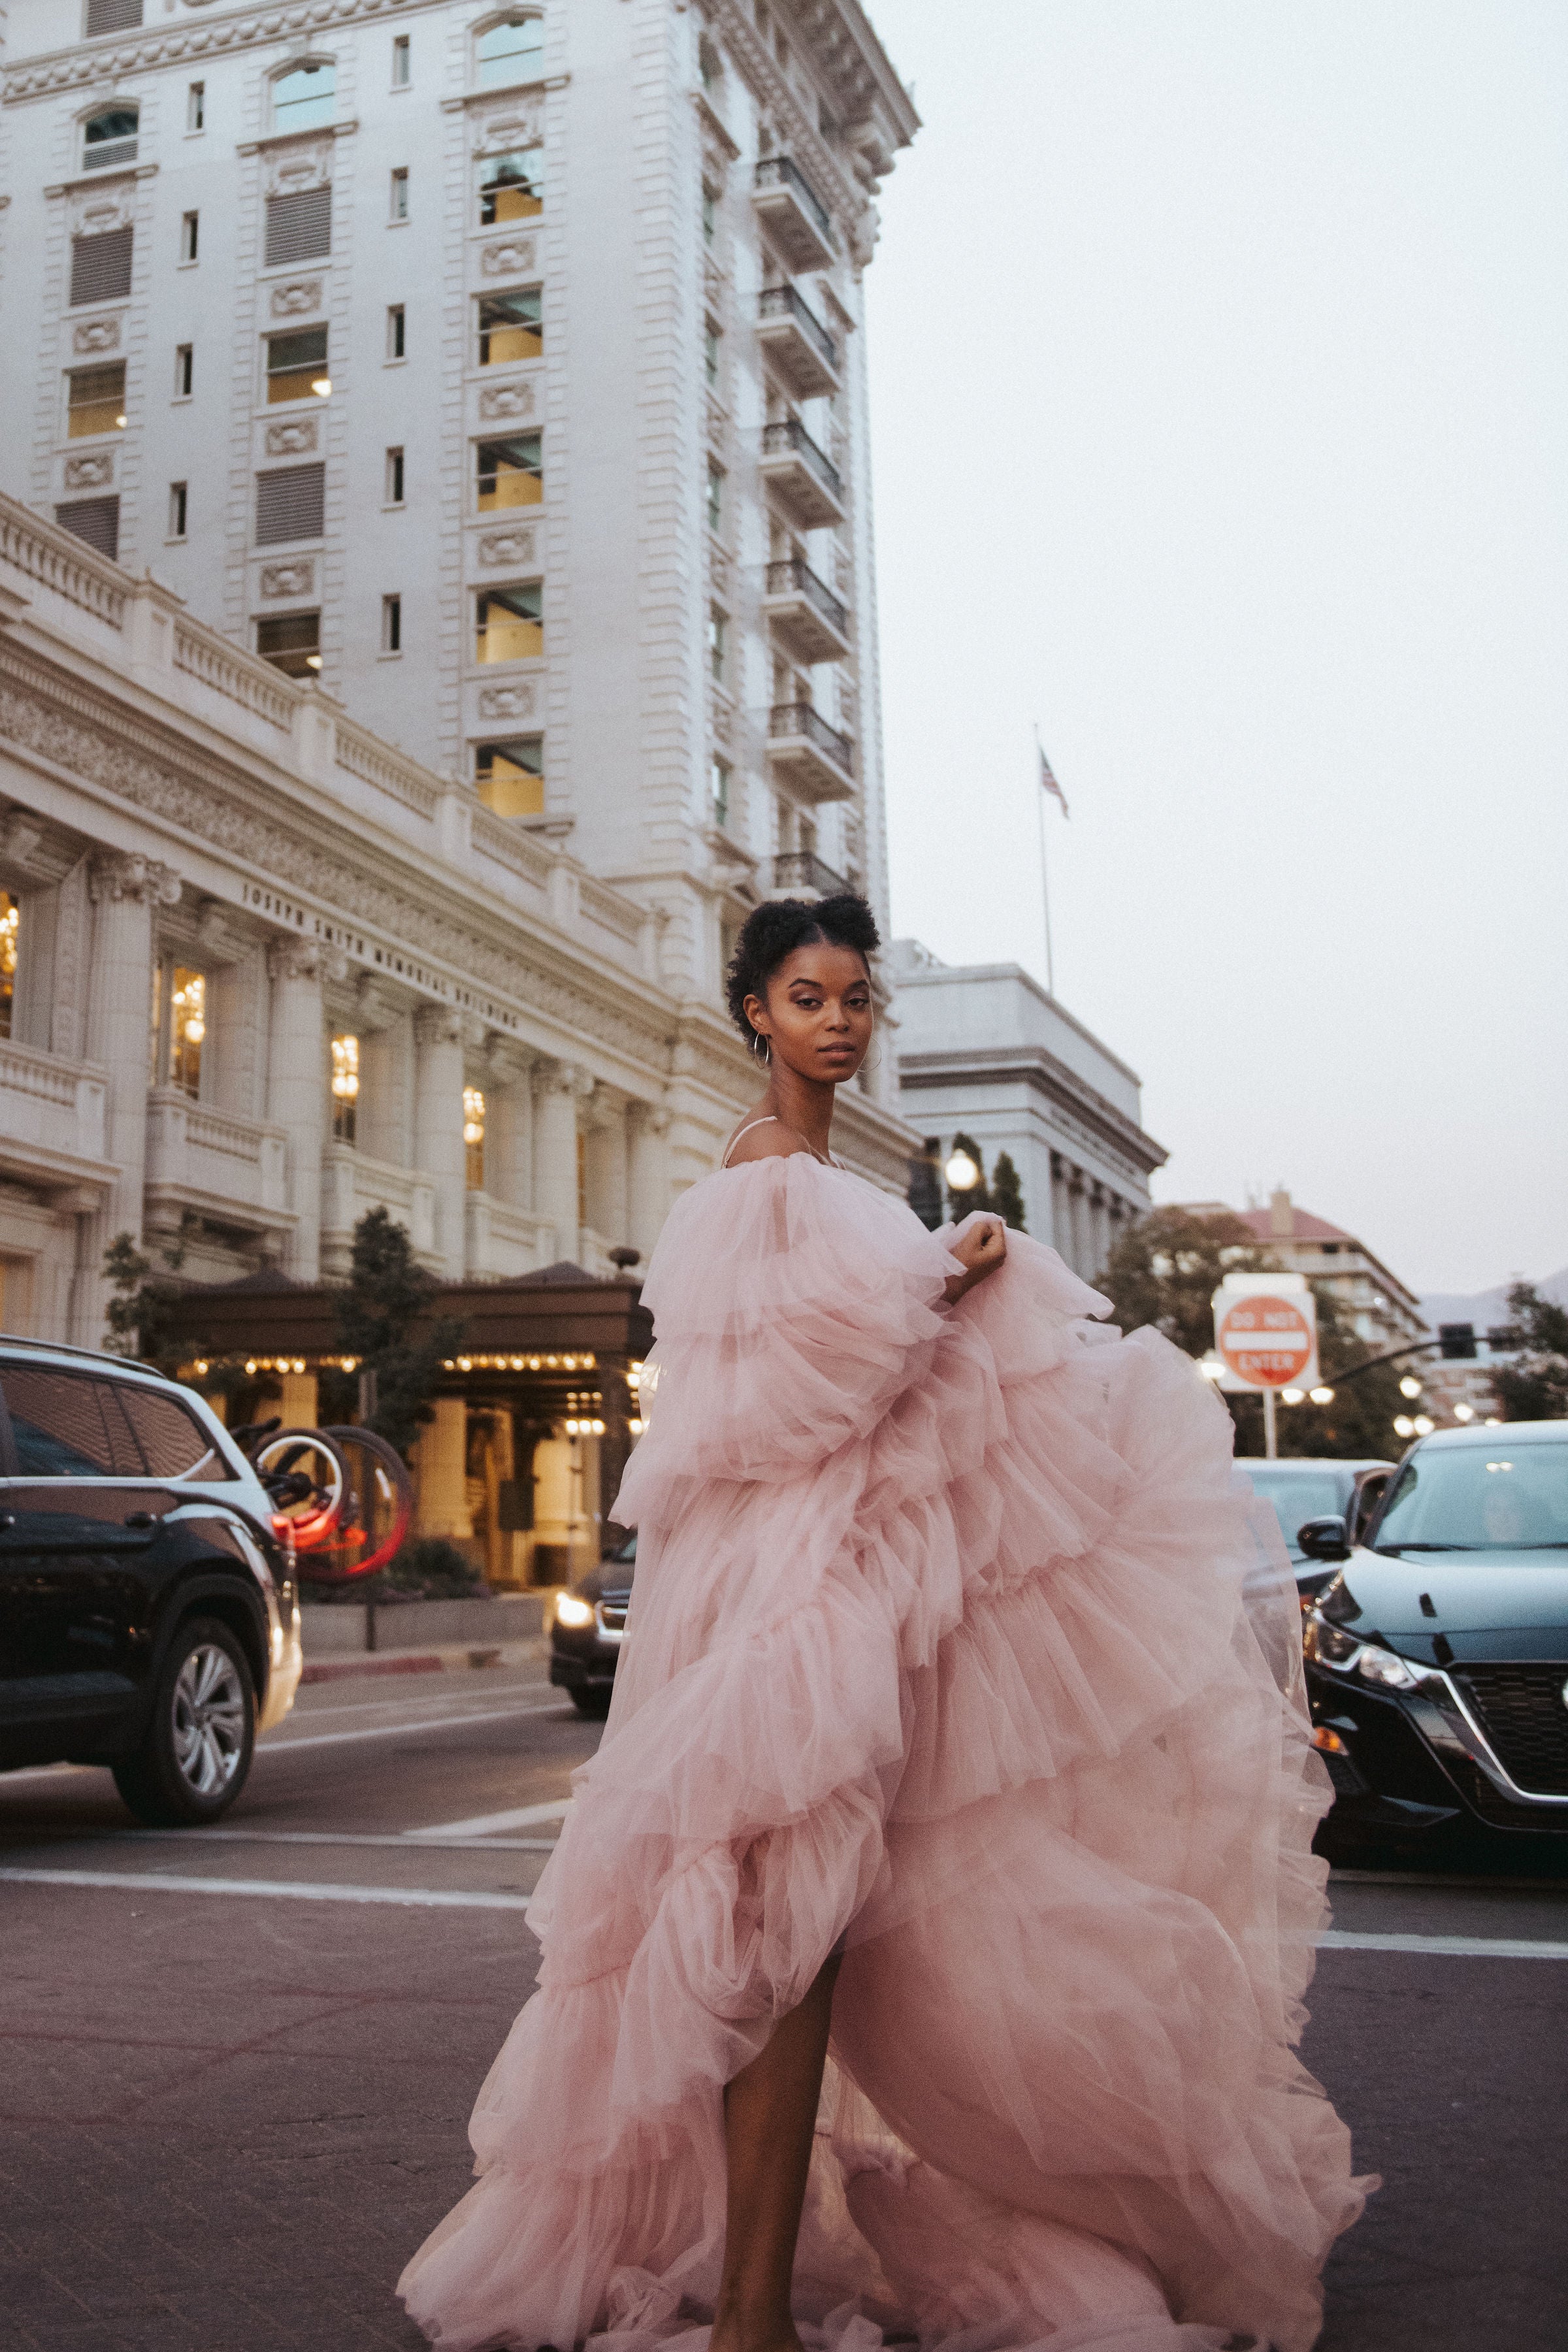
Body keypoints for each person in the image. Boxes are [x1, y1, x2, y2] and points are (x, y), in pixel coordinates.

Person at [400, 894, 1370, 2352]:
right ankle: (743, 2316)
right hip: (794, 1603)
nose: (841, 1021)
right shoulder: (761, 1179)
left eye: (858, 998)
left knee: (811, 1933)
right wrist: (956, 1271)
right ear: (756, 1014)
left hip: (828, 1584)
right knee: (780, 1938)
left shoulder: (820, 1177)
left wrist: (944, 1275)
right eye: (810, 997)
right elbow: (796, 1395)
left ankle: (752, 2297)